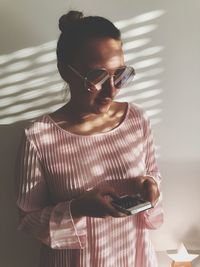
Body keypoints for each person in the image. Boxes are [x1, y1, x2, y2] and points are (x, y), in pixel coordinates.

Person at [15, 10, 163, 267]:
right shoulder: (38, 137)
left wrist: (151, 187)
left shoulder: (137, 119)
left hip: (133, 258)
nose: (112, 90)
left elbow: (153, 175)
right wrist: (78, 209)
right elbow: (28, 219)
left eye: (120, 75)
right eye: (97, 76)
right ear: (65, 71)